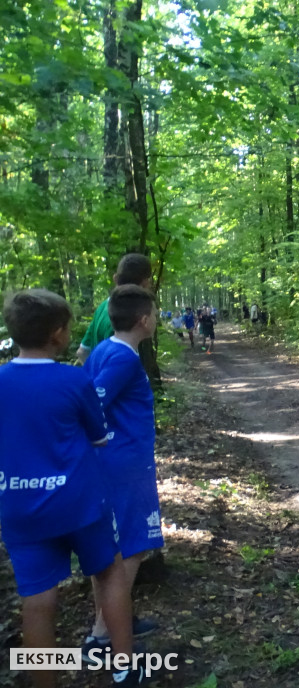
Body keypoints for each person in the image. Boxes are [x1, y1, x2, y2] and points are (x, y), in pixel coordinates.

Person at [0, 289, 149, 687]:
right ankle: (123, 667)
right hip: (80, 502)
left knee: (37, 599)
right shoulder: (71, 380)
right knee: (110, 573)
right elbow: (99, 436)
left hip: (19, 506)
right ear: (59, 334)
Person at [83, 285, 163, 655]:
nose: (158, 319)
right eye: (156, 314)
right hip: (126, 464)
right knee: (132, 545)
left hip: (116, 462)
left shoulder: (104, 349)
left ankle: (116, 619)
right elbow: (92, 402)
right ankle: (102, 632)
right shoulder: (124, 359)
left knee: (114, 546)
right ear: (144, 320)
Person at [76, 254, 152, 364]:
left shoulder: (103, 307)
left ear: (116, 278)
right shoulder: (125, 318)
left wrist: (94, 374)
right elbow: (117, 362)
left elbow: (82, 352)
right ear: (145, 283)